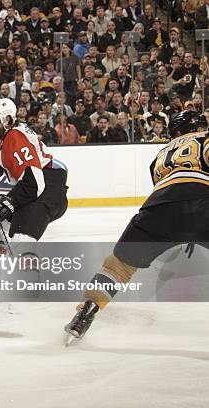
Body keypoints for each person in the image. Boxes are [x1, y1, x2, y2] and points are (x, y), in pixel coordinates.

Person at [65, 110, 209, 342]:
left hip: (157, 209)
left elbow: (169, 193)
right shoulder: (205, 138)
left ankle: (85, 313)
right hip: (204, 201)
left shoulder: (161, 154)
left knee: (116, 267)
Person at [0, 98, 68, 254]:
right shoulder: (3, 134)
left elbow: (35, 183)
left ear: (7, 120)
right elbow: (3, 159)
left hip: (48, 191)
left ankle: (27, 277)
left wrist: (10, 202)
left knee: (21, 238)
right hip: (33, 188)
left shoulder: (16, 138)